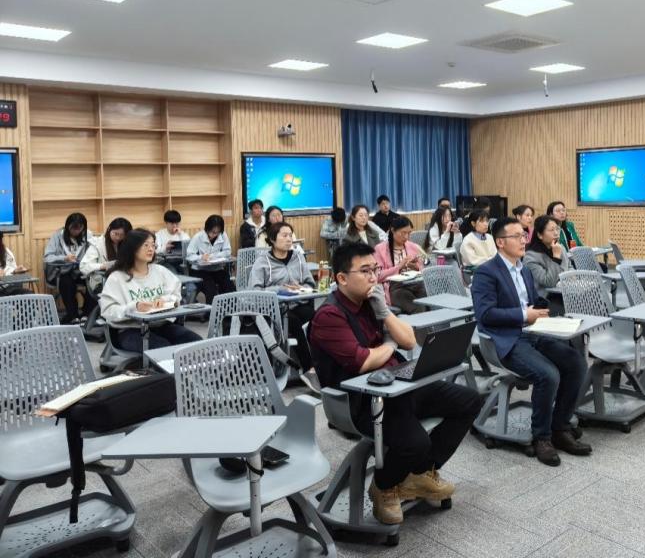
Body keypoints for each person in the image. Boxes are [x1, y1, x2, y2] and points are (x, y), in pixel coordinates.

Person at [310, 242, 483, 525]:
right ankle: (384, 486)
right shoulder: (329, 316)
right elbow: (363, 361)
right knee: (416, 442)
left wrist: (385, 312)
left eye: (375, 269)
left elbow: (409, 341)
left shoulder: (371, 302)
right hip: (362, 400)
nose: (373, 277)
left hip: (398, 385)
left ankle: (419, 474)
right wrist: (389, 345)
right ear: (341, 278)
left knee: (469, 400)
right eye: (365, 271)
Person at [470, 217, 590, 466]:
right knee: (548, 374)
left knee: (576, 363)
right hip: (505, 340)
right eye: (517, 236)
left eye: (524, 235)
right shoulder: (486, 272)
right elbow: (485, 315)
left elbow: (534, 302)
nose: (524, 240)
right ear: (500, 242)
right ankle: (542, 437)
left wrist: (552, 313)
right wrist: (525, 315)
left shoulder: (523, 269)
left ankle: (560, 427)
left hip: (533, 332)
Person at [99, 228, 201, 352]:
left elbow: (176, 295)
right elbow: (108, 311)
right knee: (164, 350)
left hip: (161, 325)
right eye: (146, 245)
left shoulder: (160, 271)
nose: (151, 249)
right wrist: (134, 307)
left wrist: (165, 300)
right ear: (132, 248)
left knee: (197, 343)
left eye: (153, 245)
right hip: (130, 330)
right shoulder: (117, 278)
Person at [249, 221, 316, 370]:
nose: (289, 239)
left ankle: (324, 363)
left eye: (290, 235)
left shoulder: (298, 257)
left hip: (298, 303)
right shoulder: (262, 262)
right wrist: (279, 289)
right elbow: (254, 291)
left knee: (319, 318)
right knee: (294, 323)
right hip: (274, 310)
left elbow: (310, 284)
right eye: (284, 235)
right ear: (273, 239)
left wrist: (302, 288)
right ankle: (309, 369)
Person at [43, 212, 95, 324]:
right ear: (67, 226)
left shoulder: (88, 236)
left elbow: (94, 254)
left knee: (94, 281)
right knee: (66, 283)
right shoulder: (58, 236)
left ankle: (87, 314)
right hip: (63, 271)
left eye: (79, 229)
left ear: (83, 228)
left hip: (82, 271)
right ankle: (73, 315)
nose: (76, 232)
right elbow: (47, 257)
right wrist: (64, 258)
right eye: (73, 228)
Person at [374, 216, 427, 315]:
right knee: (418, 307)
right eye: (403, 233)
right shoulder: (380, 249)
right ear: (393, 230)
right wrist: (399, 267)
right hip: (395, 288)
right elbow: (378, 276)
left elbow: (422, 269)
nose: (406, 237)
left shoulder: (412, 246)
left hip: (415, 284)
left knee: (430, 301)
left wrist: (415, 267)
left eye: (409, 233)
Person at [187, 214, 235, 303]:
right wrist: (201, 257)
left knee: (229, 285)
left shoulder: (222, 235)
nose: (215, 235)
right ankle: (211, 311)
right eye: (213, 232)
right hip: (200, 271)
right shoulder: (198, 237)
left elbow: (227, 251)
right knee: (210, 288)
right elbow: (189, 256)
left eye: (217, 232)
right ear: (207, 228)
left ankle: (230, 309)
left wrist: (213, 256)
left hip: (216, 269)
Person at [523, 215, 572, 298]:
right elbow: (549, 282)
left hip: (566, 293)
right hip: (547, 298)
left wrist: (572, 278)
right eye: (551, 230)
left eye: (557, 229)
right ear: (540, 235)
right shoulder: (530, 257)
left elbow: (569, 266)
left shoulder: (560, 247)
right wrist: (556, 258)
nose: (556, 233)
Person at [80, 216, 132, 283]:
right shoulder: (97, 243)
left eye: (122, 235)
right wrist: (103, 266)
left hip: (125, 278)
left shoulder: (128, 244)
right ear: (109, 229)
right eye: (116, 234)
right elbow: (83, 267)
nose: (118, 238)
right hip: (103, 280)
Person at [0, 231, 30, 296]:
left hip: (8, 287)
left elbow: (10, 268)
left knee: (29, 294)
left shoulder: (6, 252)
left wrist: (15, 270)